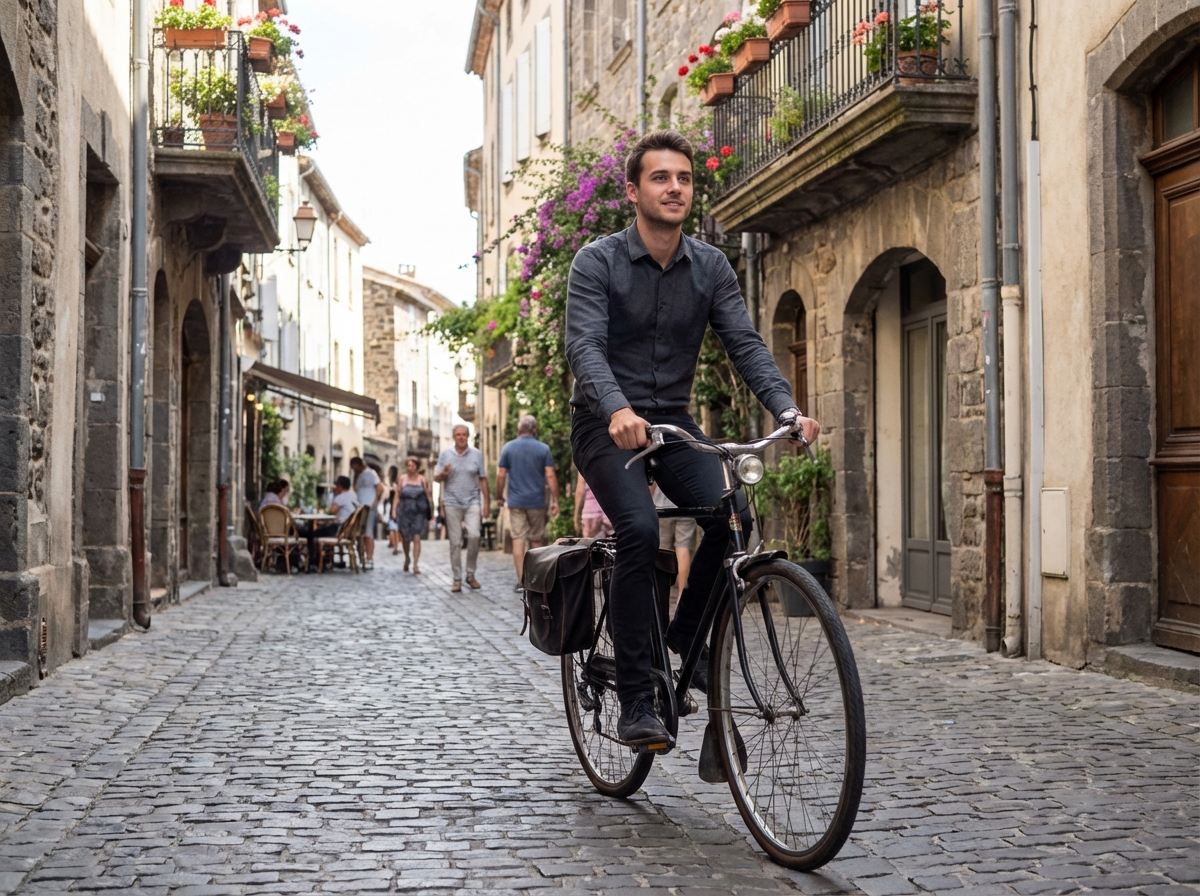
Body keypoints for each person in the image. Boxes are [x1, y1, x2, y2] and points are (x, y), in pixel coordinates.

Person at [564, 129, 820, 749]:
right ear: (633, 191)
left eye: (683, 178)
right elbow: (585, 347)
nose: (674, 187)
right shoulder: (596, 262)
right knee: (641, 531)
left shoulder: (709, 266)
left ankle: (685, 643)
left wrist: (787, 410)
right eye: (660, 177)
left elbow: (746, 345)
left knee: (734, 515)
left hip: (673, 427)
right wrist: (618, 407)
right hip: (606, 425)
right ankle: (635, 697)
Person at [496, 415, 560, 591]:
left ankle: (521, 581)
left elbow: (501, 474)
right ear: (534, 430)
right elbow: (550, 475)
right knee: (536, 540)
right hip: (537, 501)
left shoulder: (508, 448)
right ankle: (536, 580)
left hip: (516, 502)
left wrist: (498, 496)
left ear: (518, 430)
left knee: (518, 539)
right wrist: (556, 500)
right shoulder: (543, 449)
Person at [433, 425, 490, 592]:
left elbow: (483, 479)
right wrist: (444, 473)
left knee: (474, 535)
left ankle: (470, 574)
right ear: (453, 437)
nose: (461, 437)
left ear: (468, 436)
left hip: (472, 501)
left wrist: (486, 503)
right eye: (458, 435)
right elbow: (436, 477)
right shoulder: (445, 455)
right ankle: (456, 579)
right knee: (455, 542)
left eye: (464, 434)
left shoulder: (477, 455)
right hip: (451, 502)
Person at [651, 484, 696, 598]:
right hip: (685, 506)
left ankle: (660, 594)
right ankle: (681, 595)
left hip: (661, 508)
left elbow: (652, 482)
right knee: (683, 548)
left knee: (662, 551)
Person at [307, 475, 358, 568]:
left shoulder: (341, 497)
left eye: (336, 485)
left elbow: (331, 511)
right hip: (350, 529)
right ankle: (327, 559)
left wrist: (335, 496)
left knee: (312, 534)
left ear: (339, 486)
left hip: (340, 528)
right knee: (322, 530)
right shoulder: (353, 495)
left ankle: (314, 562)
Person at [393, 456, 433, 574]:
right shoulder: (402, 479)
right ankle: (407, 558)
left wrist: (430, 509)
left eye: (412, 466)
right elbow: (397, 495)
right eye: (408, 466)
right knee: (405, 538)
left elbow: (427, 495)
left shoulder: (422, 479)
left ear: (417, 467)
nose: (410, 468)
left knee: (416, 536)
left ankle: (415, 564)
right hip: (404, 510)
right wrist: (394, 511)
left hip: (418, 511)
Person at [350, 457, 385, 571]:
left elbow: (380, 488)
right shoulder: (357, 474)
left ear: (360, 465)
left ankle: (369, 558)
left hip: (368, 507)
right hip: (359, 507)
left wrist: (374, 503)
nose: (355, 471)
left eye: (356, 468)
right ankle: (362, 558)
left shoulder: (371, 473)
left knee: (368, 534)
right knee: (360, 534)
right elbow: (355, 488)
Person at [573, 473, 612, 539]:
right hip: (610, 510)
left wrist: (576, 515)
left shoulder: (585, 463)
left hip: (591, 513)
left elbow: (580, 490)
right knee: (614, 545)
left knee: (590, 545)